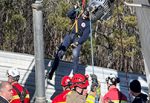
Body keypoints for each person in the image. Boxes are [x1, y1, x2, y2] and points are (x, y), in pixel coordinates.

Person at [48, 2, 91, 80]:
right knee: (60, 52)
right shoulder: (78, 16)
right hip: (70, 35)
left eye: (86, 15)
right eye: (84, 15)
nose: (84, 16)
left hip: (78, 38)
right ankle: (52, 71)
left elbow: (85, 36)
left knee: (75, 56)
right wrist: (74, 7)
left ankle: (75, 76)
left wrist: (77, 42)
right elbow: (69, 14)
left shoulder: (88, 23)